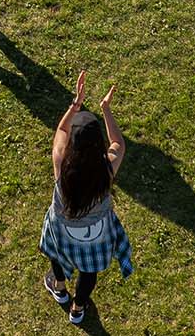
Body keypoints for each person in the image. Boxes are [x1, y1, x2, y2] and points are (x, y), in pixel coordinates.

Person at [39, 71, 131, 326]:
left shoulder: (60, 163)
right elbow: (118, 142)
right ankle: (78, 309)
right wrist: (105, 109)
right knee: (89, 271)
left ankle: (58, 288)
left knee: (57, 255)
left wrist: (76, 104)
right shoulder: (107, 169)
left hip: (62, 227)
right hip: (96, 233)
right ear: (97, 143)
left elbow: (60, 129)